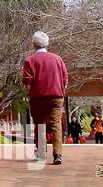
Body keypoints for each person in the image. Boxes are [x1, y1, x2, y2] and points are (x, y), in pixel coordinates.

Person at [22, 30, 68, 165]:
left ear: (34, 44)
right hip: (56, 96)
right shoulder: (57, 59)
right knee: (56, 124)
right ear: (47, 43)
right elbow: (65, 78)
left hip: (38, 98)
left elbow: (27, 81)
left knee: (40, 124)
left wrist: (32, 92)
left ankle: (41, 153)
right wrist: (61, 90)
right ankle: (57, 154)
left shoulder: (29, 60)